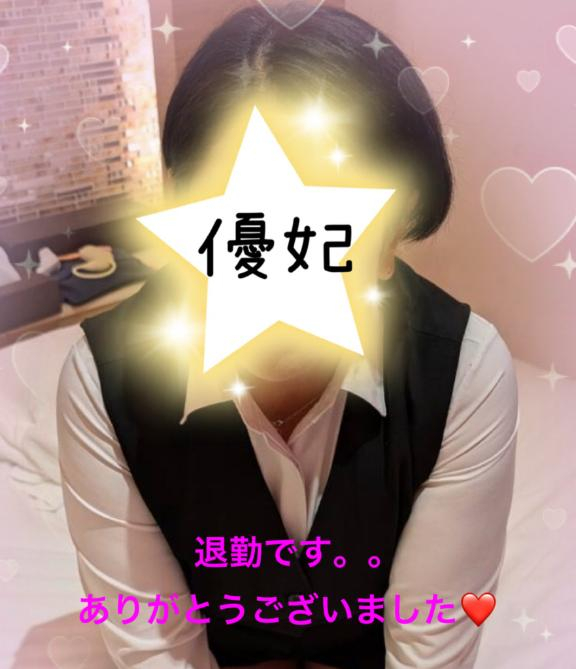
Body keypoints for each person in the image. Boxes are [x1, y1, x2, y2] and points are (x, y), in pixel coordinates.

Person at [57, 4, 518, 668]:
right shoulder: (103, 380)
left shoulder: (463, 370)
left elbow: (429, 650)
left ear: (394, 226)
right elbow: (157, 648)